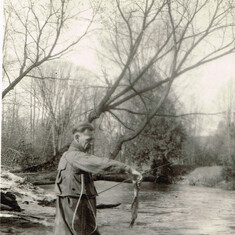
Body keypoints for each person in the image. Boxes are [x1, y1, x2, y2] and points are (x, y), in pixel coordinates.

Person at [54, 122, 142, 235]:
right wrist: (128, 169)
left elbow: (100, 168)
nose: (91, 143)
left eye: (92, 140)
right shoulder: (75, 156)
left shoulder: (70, 155)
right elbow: (101, 163)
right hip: (75, 206)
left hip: (78, 205)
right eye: (88, 139)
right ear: (77, 137)